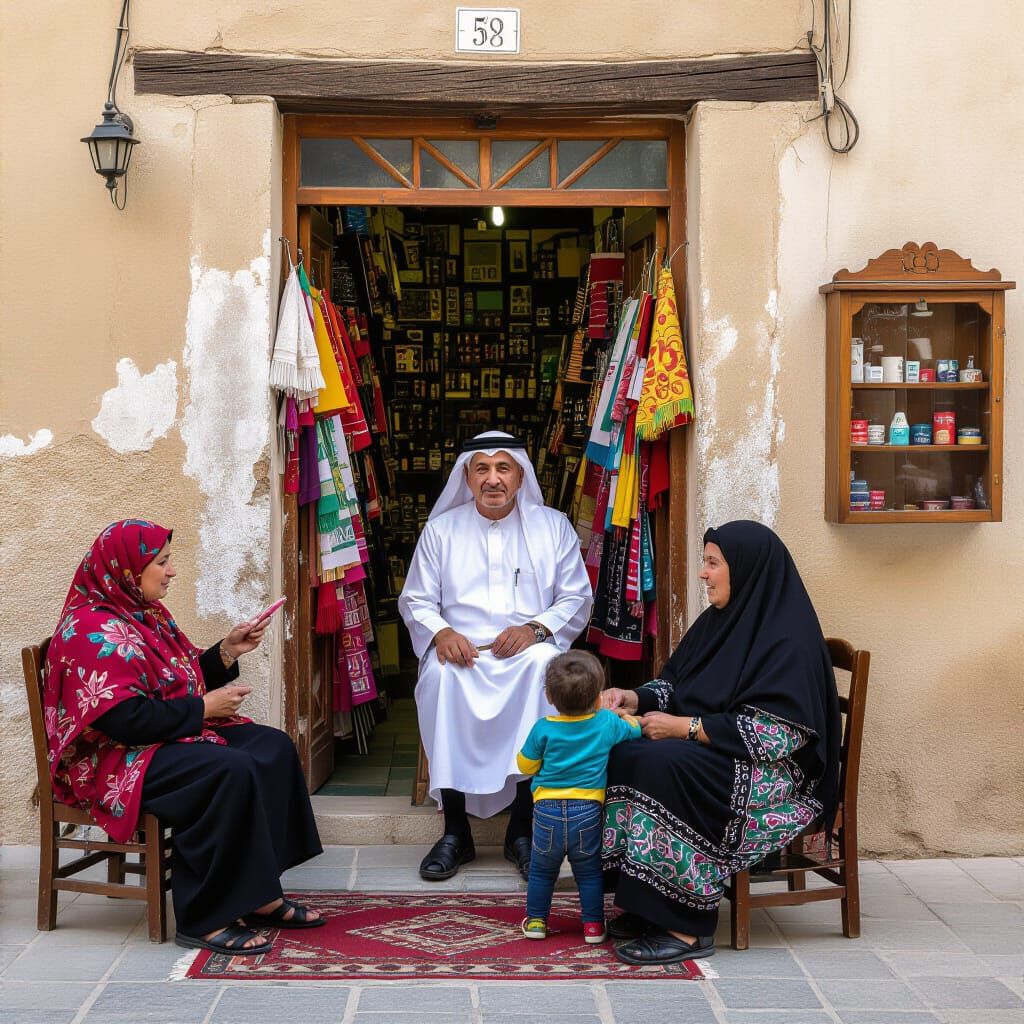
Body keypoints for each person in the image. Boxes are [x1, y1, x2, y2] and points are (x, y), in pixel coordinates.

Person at [43, 520, 325, 956]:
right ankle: (206, 917)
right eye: (162, 562)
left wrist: (227, 651)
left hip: (157, 740)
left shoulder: (143, 613)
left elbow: (178, 677)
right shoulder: (88, 631)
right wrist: (203, 711)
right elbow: (123, 720)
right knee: (226, 771)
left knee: (272, 747)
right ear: (127, 568)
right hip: (115, 759)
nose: (172, 570)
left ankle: (258, 892)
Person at [601, 520, 841, 965]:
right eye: (704, 562)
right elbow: (677, 685)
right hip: (726, 749)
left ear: (746, 570)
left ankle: (684, 925)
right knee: (626, 751)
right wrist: (631, 697)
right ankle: (643, 901)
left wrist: (685, 729)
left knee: (666, 765)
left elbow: (778, 735)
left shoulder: (789, 639)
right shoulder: (719, 623)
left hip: (774, 773)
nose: (703, 573)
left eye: (713, 563)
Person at [398, 431, 593, 881]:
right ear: (466, 477)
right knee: (440, 679)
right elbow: (416, 600)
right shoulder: (441, 530)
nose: (493, 479)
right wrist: (441, 632)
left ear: (520, 474)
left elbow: (576, 597)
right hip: (459, 654)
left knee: (545, 669)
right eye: (481, 469)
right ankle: (456, 833)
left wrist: (534, 629)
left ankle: (522, 830)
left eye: (503, 468)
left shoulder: (553, 526)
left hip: (526, 652)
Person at [516, 651, 641, 943]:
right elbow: (634, 731)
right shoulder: (605, 724)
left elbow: (525, 766)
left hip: (546, 811)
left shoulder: (544, 728)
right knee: (589, 874)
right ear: (598, 698)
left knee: (541, 872)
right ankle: (593, 927)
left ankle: (536, 922)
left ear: (549, 696)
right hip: (587, 812)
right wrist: (623, 715)